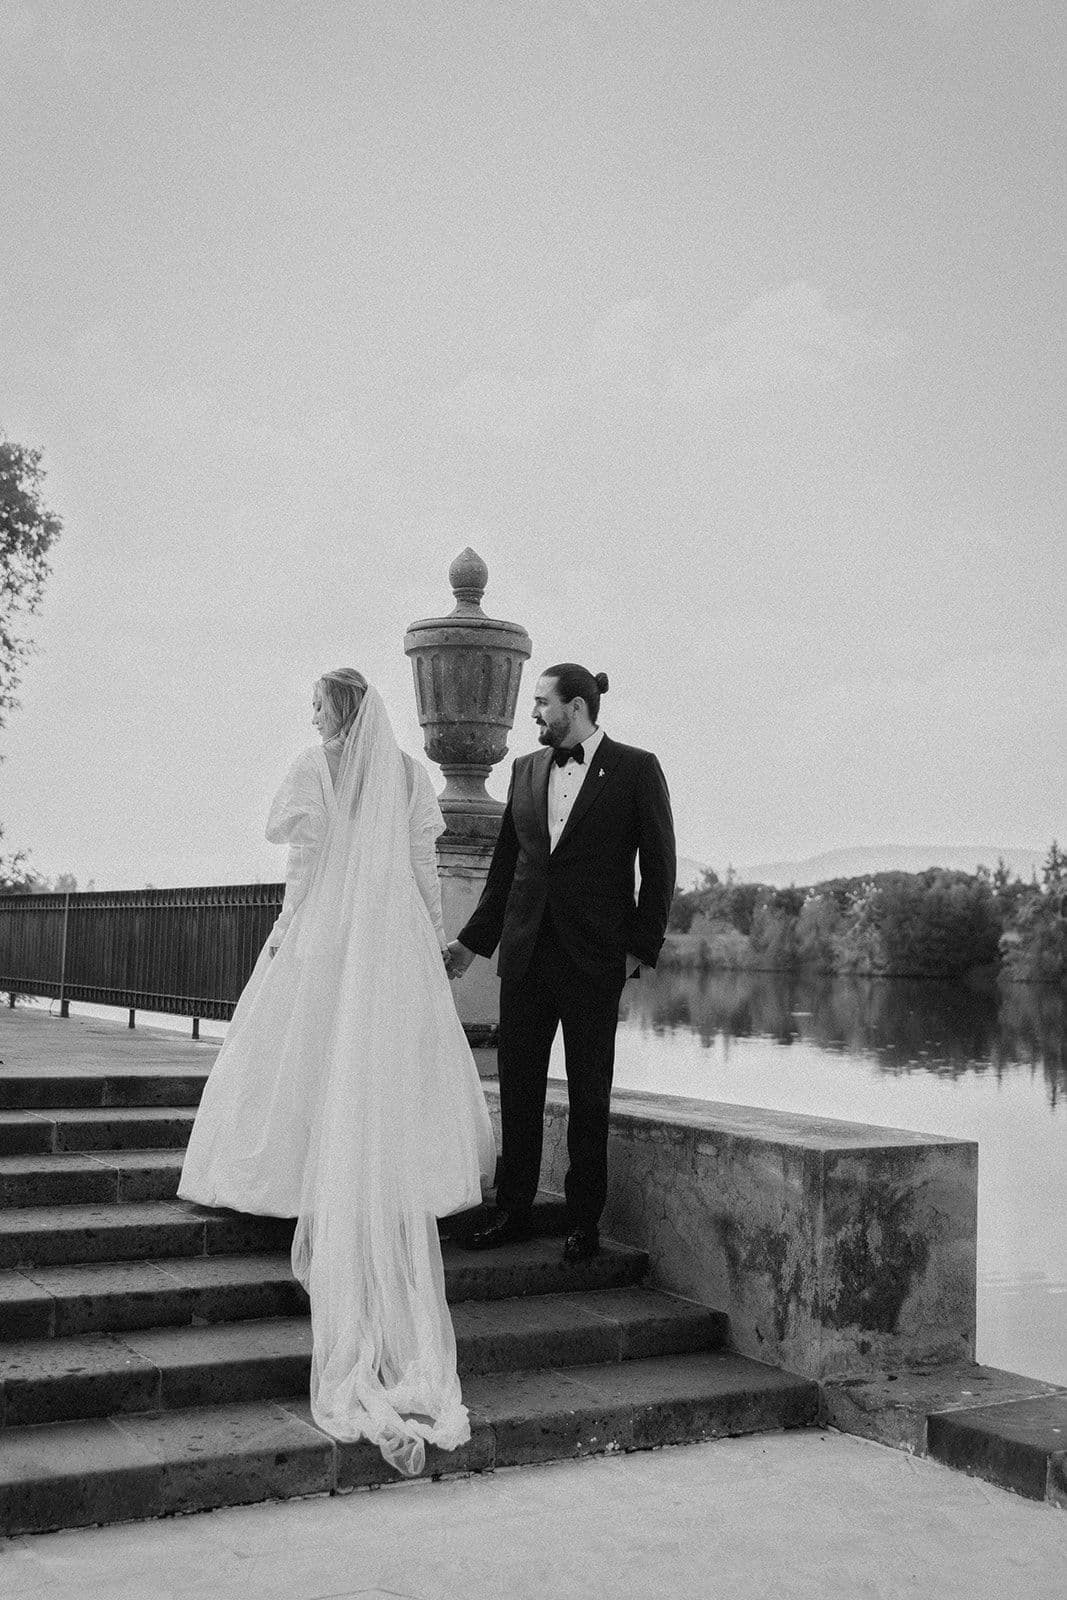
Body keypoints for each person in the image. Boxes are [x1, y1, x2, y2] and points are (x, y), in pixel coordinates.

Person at [179, 669, 496, 1476]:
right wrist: (427, 938)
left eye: (317, 703)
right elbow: (424, 868)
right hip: (389, 939)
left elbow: (306, 865)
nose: (309, 714)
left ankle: (285, 1181)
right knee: (389, 1059)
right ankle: (402, 1175)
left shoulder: (314, 767)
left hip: (329, 931)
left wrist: (287, 932)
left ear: (339, 710)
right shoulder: (409, 775)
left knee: (301, 1055)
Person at [447, 664, 675, 1263]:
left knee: (589, 1096)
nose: (533, 715)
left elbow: (660, 869)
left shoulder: (636, 769)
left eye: (541, 703)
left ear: (575, 706)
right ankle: (512, 1211)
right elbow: (503, 872)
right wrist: (471, 945)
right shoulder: (524, 770)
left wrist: (635, 953)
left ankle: (582, 1222)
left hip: (594, 961)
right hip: (524, 958)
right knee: (518, 1090)